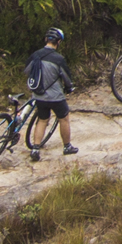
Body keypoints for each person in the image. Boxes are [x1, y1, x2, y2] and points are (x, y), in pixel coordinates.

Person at [23, 27, 78, 160]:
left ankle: (35, 149)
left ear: (46, 39)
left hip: (39, 95)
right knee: (63, 118)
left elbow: (26, 71)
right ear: (58, 42)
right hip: (56, 97)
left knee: (42, 120)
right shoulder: (59, 59)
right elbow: (67, 79)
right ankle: (67, 147)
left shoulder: (36, 55)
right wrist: (69, 88)